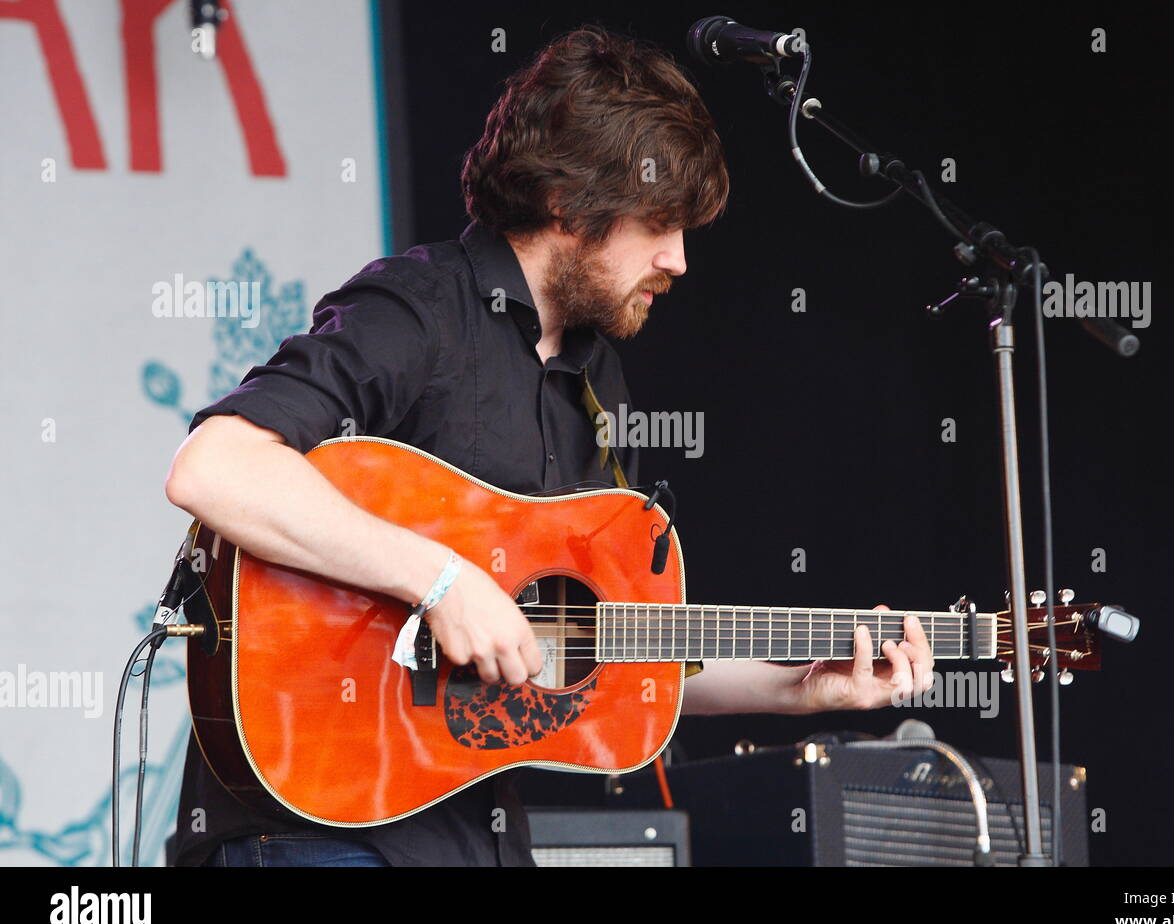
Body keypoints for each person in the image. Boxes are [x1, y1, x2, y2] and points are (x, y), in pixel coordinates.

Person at [163, 25, 934, 868]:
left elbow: (616, 642)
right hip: (315, 825)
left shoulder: (599, 387)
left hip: (471, 832)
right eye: (658, 225)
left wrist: (803, 690)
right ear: (570, 204)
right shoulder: (419, 310)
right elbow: (217, 466)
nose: (678, 261)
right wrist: (442, 581)